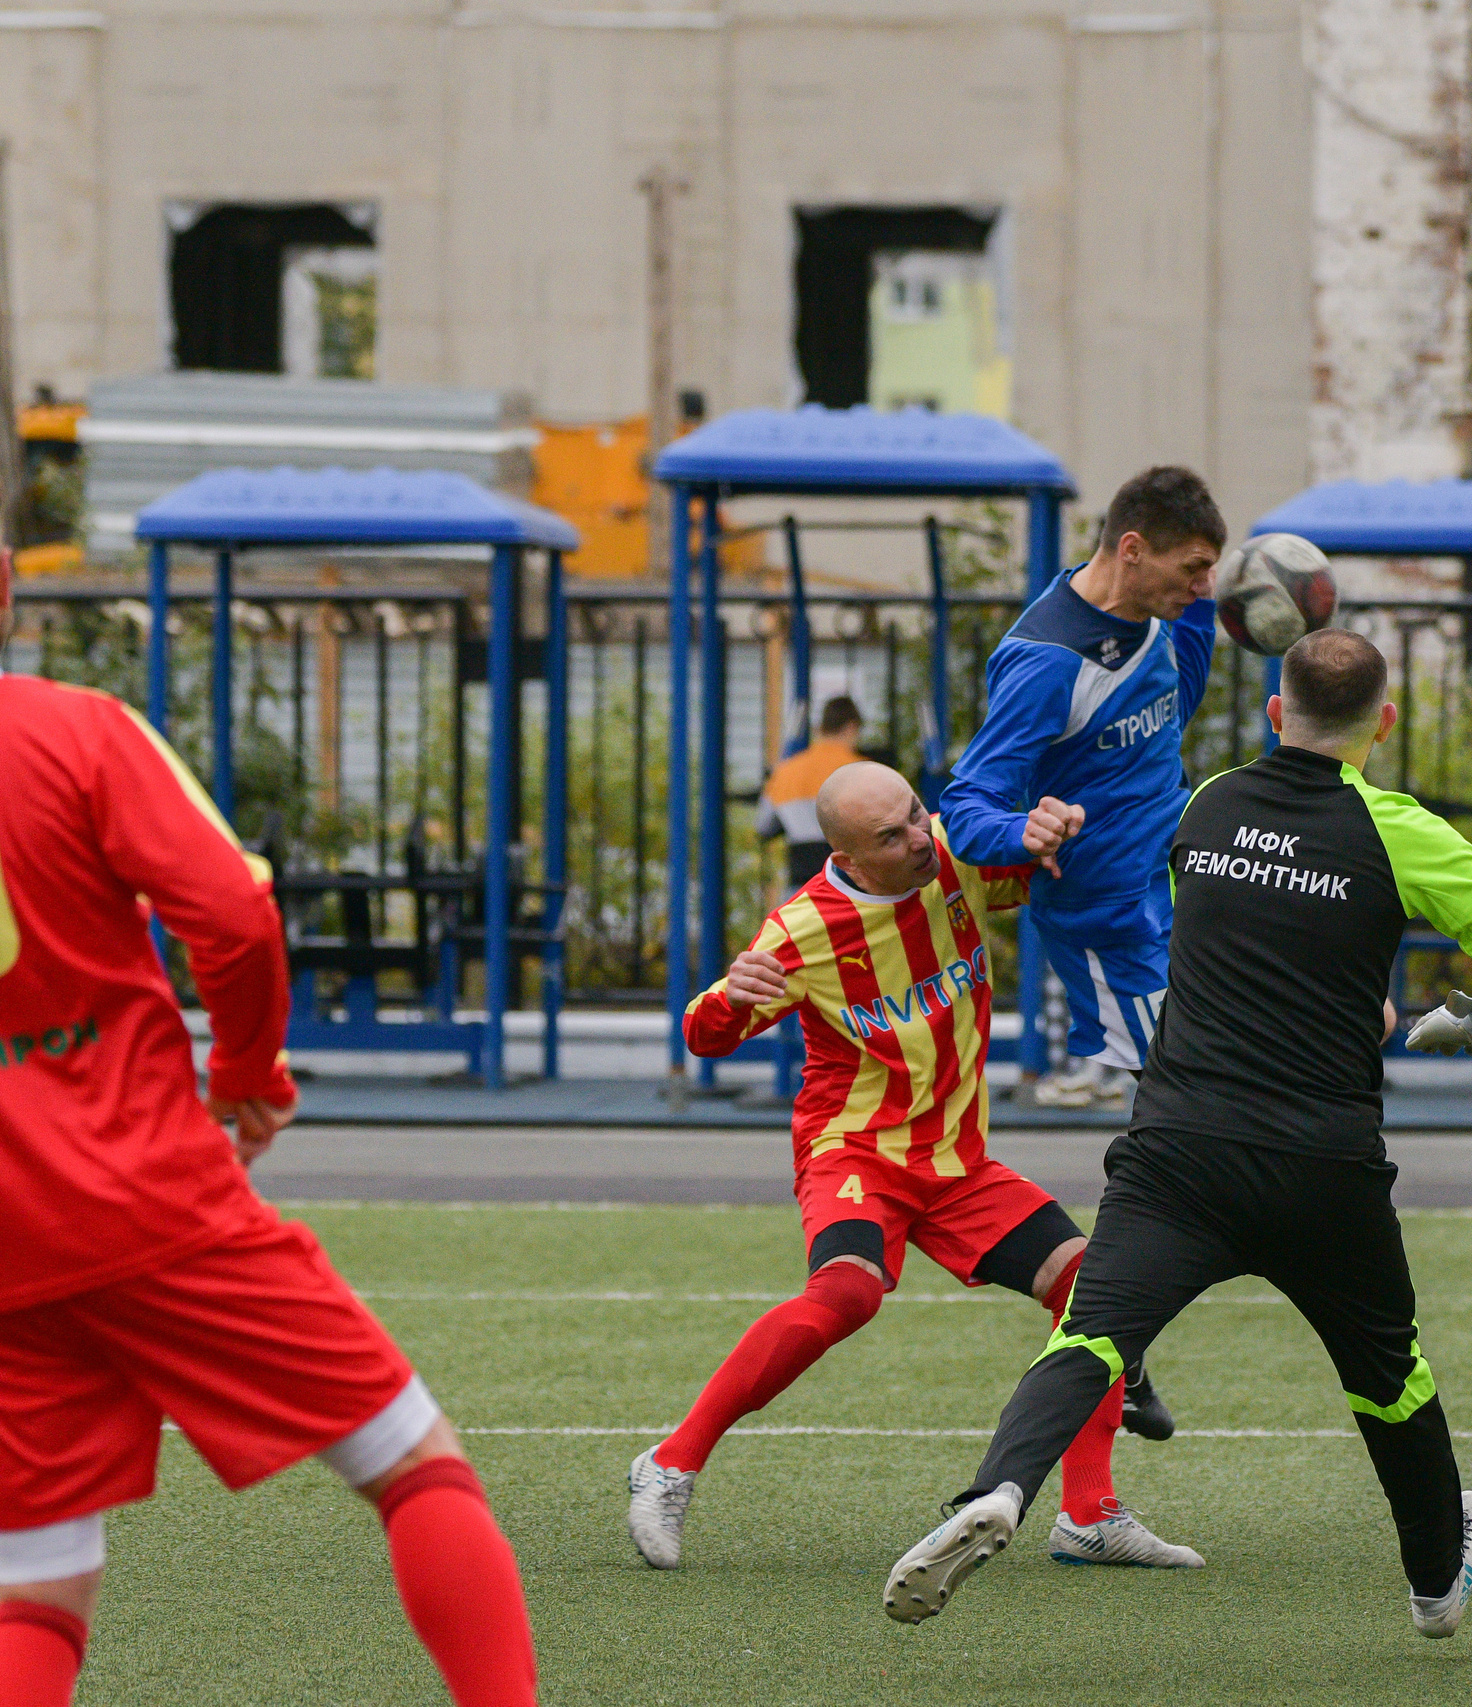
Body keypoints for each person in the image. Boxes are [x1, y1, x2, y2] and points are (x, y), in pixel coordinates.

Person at [884, 628, 1472, 1637]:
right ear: (1385, 722)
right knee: (1387, 1376)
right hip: (1321, 1164)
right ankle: (1431, 1586)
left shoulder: (1207, 805)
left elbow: (1197, 911)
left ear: (1274, 715)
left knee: (1092, 1335)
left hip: (1179, 1150)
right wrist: (1455, 1023)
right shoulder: (1402, 831)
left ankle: (1002, 1491)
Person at [0, 548, 538, 1707]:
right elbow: (233, 912)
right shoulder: (78, 729)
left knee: (35, 1581)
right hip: (143, 1186)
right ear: (3, 584)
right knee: (414, 1466)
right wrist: (247, 1069)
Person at [629, 760, 1197, 1573]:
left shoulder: (954, 852)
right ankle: (671, 1461)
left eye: (916, 812)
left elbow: (1056, 869)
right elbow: (703, 1036)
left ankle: (1088, 1514)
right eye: (891, 835)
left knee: (1091, 1284)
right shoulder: (801, 929)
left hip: (957, 1162)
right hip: (855, 1147)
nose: (918, 837)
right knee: (848, 1293)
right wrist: (728, 995)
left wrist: (1050, 825)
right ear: (851, 859)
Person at [938, 467, 1225, 1109]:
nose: (1204, 584)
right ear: (1132, 550)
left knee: (1241, 1088)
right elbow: (964, 807)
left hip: (1187, 891)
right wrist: (1021, 831)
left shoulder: (1156, 618)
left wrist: (1207, 607)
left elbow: (1174, 705)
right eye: (1195, 568)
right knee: (1200, 1105)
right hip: (1112, 927)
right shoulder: (1048, 662)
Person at [757, 694, 866, 888]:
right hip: (850, 883)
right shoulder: (864, 770)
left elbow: (764, 826)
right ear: (851, 728)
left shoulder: (785, 771)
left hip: (801, 884)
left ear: (820, 729)